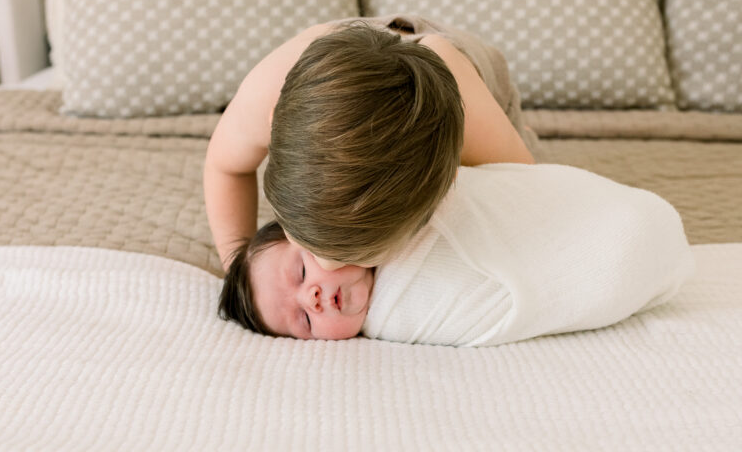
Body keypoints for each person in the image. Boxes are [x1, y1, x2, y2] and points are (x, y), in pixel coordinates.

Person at [219, 164, 697, 347]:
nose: (315, 298)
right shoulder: (397, 318)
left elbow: (504, 189)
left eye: (301, 272)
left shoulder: (384, 199)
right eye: (304, 321)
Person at [202, 15, 539, 274]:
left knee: (513, 161)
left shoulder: (476, 124)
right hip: (354, 50)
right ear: (273, 124)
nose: (326, 268)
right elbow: (225, 167)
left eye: (361, 261)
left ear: (448, 181)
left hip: (471, 75)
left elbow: (532, 195)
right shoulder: (265, 93)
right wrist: (237, 264)